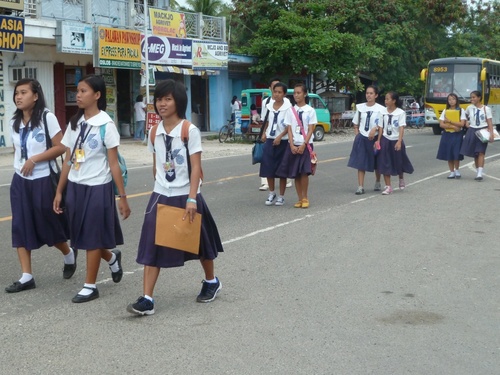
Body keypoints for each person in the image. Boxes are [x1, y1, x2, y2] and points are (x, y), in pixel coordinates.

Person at [127, 79, 223, 316]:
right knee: (152, 244)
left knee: (200, 243)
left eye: (167, 99)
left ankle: (211, 281)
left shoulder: (188, 130)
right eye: (159, 99)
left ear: (178, 102)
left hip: (186, 196)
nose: (162, 104)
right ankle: (147, 299)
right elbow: (156, 165)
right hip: (161, 194)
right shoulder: (153, 133)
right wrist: (158, 188)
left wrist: (192, 198)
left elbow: (196, 167)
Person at [54, 74, 131, 303]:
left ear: (97, 95)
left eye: (83, 91)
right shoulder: (74, 123)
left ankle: (90, 286)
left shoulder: (106, 125)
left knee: (93, 235)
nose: (78, 95)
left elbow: (114, 163)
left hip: (99, 186)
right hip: (76, 187)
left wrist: (122, 197)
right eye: (77, 91)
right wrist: (59, 191)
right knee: (80, 236)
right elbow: (68, 160)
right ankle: (111, 258)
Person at [5, 78, 77, 293]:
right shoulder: (13, 122)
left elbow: (62, 147)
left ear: (35, 96)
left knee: (48, 224)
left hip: (43, 180)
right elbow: (18, 151)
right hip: (20, 181)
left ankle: (68, 254)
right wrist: (22, 164)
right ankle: (27, 276)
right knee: (20, 225)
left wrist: (34, 159)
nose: (18, 96)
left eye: (23, 92)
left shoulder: (47, 118)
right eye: (16, 93)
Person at [277, 83, 316, 208]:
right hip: (293, 145)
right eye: (294, 93)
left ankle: (305, 197)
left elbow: (310, 129)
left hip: (305, 144)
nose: (296, 95)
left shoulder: (310, 110)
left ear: (305, 94)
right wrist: (292, 144)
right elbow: (289, 128)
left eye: (299, 93)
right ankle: (299, 198)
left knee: (304, 172)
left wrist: (304, 144)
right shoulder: (290, 110)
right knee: (296, 173)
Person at [376, 91, 414, 195]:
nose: (386, 101)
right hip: (385, 138)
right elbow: (380, 127)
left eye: (388, 99)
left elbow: (401, 127)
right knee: (384, 162)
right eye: (385, 99)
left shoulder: (400, 112)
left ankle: (401, 177)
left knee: (398, 161)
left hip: (396, 139)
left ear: (394, 101)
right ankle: (388, 186)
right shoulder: (382, 112)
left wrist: (399, 141)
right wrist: (378, 140)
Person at [260, 82, 292, 206]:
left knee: (282, 169)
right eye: (275, 92)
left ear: (284, 94)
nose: (277, 94)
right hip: (270, 139)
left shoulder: (288, 108)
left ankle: (281, 196)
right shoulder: (268, 106)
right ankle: (271, 193)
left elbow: (289, 125)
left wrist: (280, 136)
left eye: (279, 92)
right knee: (268, 167)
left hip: (283, 141)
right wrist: (263, 133)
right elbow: (266, 122)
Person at [347, 85, 384, 194]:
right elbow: (356, 123)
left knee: (377, 161)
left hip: (375, 138)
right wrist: (357, 135)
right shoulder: (360, 108)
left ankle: (377, 181)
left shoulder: (380, 109)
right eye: (367, 93)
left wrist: (375, 129)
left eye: (371, 93)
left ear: (376, 95)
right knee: (361, 162)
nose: (369, 95)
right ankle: (360, 186)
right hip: (362, 137)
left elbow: (383, 124)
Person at [459, 90, 494, 181]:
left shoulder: (486, 109)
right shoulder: (469, 108)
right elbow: (464, 116)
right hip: (472, 130)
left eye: (474, 97)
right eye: (471, 97)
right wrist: (466, 122)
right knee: (475, 153)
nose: (472, 99)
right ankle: (478, 170)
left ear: (479, 98)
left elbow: (489, 122)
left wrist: (491, 134)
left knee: (481, 152)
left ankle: (480, 173)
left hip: (482, 130)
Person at [436, 93, 466, 179]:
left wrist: (450, 121)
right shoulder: (445, 111)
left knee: (456, 152)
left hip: (457, 134)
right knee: (448, 152)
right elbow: (441, 124)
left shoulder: (461, 110)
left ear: (456, 100)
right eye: (449, 100)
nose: (451, 101)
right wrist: (452, 126)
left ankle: (457, 170)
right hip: (447, 134)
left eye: (453, 99)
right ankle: (451, 171)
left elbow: (462, 123)